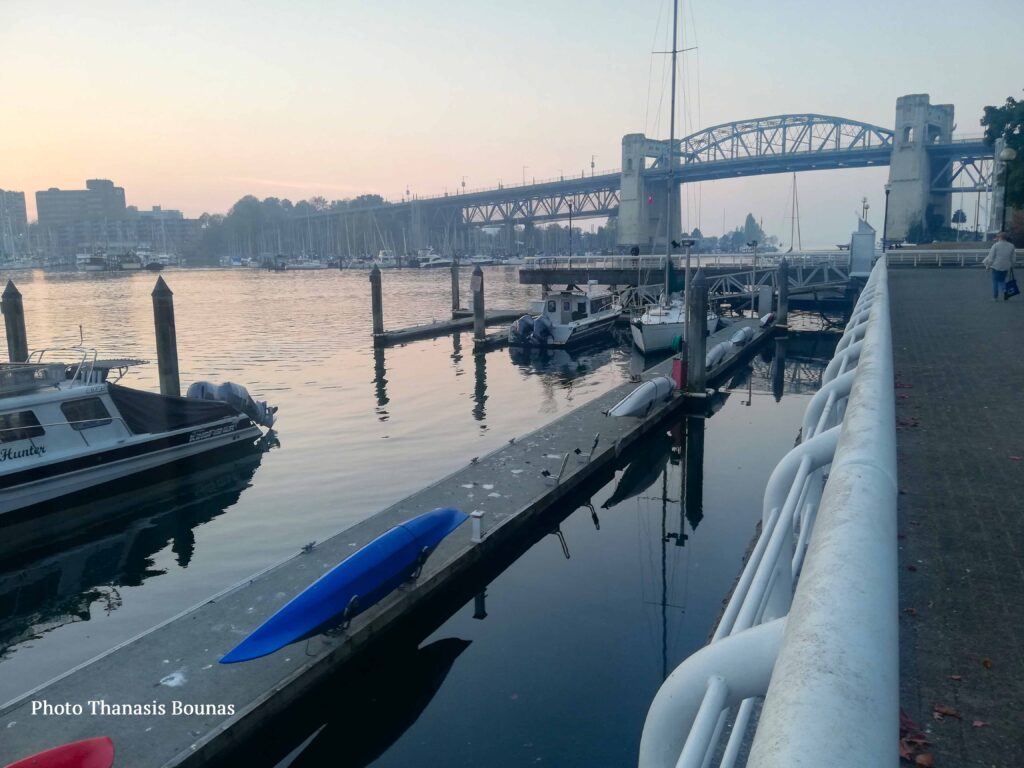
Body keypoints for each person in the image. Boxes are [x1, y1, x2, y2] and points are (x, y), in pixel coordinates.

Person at [983, 232, 1016, 301]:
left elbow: (991, 257)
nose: (997, 238)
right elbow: (1013, 258)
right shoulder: (1011, 246)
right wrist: (1012, 265)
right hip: (1006, 266)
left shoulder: (995, 245)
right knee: (1002, 280)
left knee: (995, 281)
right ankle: (1005, 291)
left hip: (996, 266)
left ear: (1000, 237)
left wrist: (988, 266)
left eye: (998, 237)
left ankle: (995, 297)